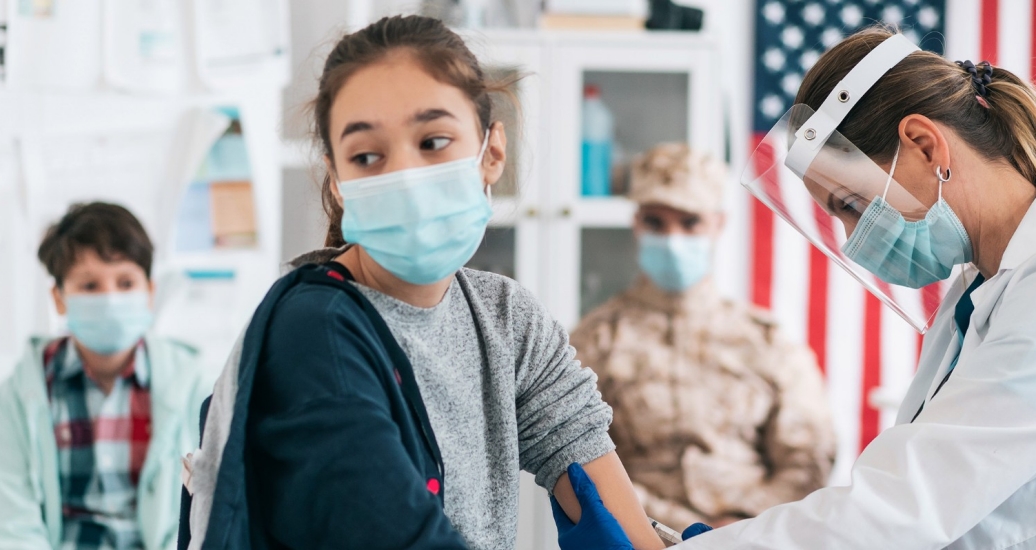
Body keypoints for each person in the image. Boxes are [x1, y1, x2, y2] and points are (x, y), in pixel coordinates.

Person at [179, 15, 665, 550]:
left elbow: (610, 506)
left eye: (433, 141)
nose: (404, 176)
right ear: (339, 183)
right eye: (367, 156)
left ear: (492, 153)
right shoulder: (312, 337)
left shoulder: (505, 319)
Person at [562, 26, 1036, 549]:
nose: (856, 239)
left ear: (925, 145)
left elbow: (902, 506)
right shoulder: (979, 289)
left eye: (852, 205)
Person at [569, 143, 836, 530]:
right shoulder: (595, 339)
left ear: (717, 223)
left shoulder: (767, 341)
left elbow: (809, 454)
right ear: (637, 223)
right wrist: (673, 527)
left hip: (755, 536)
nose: (673, 238)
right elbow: (579, 456)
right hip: (639, 534)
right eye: (656, 222)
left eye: (690, 222)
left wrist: (743, 522)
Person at [0, 202, 211, 549]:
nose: (110, 298)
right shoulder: (18, 397)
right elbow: (14, 525)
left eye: (126, 282)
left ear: (149, 291)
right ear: (59, 298)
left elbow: (205, 513)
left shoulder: (195, 386)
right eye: (90, 285)